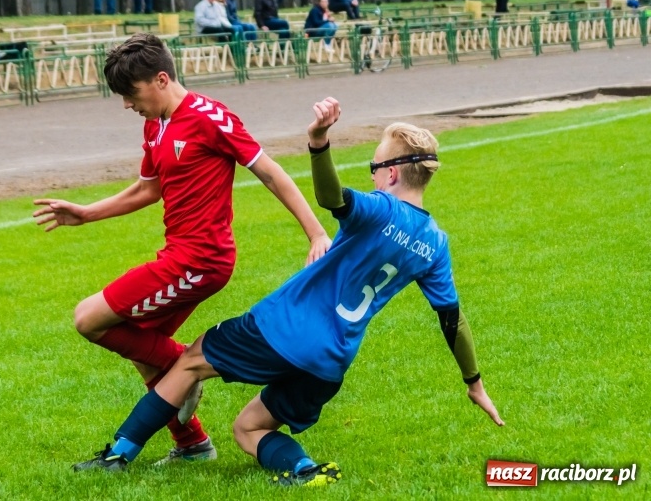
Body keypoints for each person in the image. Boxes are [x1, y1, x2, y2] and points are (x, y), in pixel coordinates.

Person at [70, 97, 505, 487]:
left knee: (190, 361)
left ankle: (118, 454)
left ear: (391, 173)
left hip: (281, 329)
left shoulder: (379, 209)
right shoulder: (435, 243)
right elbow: (453, 319)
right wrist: (474, 383)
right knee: (249, 429)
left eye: (374, 168)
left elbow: (331, 197)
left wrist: (318, 144)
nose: (372, 176)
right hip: (331, 362)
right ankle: (303, 470)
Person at [33, 33, 332, 466]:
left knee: (89, 318)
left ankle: (187, 368)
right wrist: (86, 213)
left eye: (129, 94)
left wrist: (316, 234)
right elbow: (147, 189)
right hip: (177, 256)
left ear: (159, 79)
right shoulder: (154, 124)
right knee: (140, 345)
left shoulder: (211, 118)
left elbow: (270, 173)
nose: (126, 104)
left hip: (201, 260)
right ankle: (192, 444)